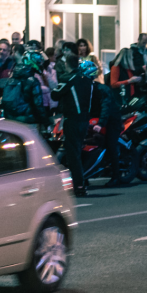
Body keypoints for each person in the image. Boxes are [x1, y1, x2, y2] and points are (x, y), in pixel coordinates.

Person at [54, 57, 97, 197]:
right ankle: (82, 181)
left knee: (73, 155)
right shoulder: (88, 81)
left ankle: (79, 186)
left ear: (67, 65)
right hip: (84, 120)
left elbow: (55, 94)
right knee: (77, 151)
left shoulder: (70, 78)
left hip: (72, 120)